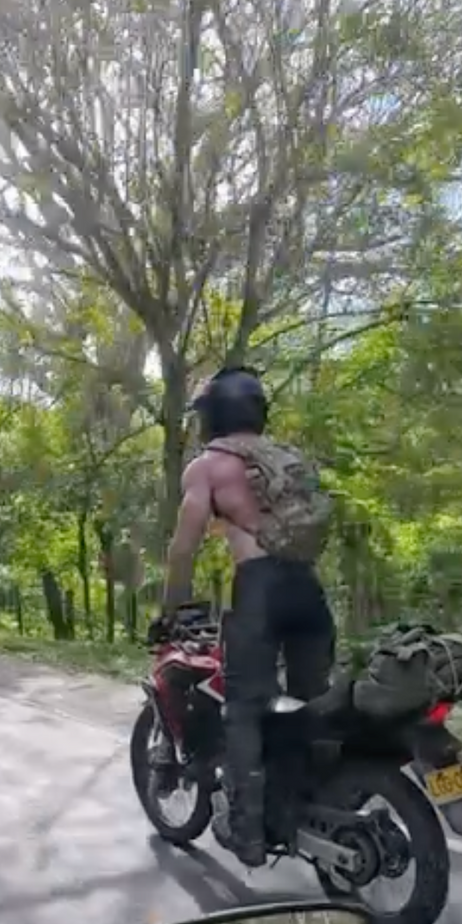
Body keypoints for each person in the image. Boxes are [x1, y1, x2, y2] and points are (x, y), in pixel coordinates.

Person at [152, 367, 335, 867]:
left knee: (244, 707)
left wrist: (170, 610)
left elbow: (183, 549)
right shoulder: (291, 459)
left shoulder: (209, 466)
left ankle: (248, 831)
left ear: (211, 416)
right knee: (309, 705)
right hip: (309, 592)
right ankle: (312, 801)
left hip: (260, 591)